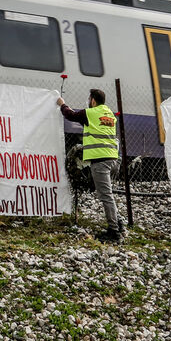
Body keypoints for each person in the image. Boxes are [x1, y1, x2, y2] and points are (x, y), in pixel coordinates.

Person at [57, 89, 123, 242]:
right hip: (112, 159)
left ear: (93, 100)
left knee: (106, 196)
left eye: (89, 99)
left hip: (100, 161)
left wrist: (62, 104)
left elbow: (70, 115)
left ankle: (114, 231)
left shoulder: (90, 113)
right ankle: (118, 223)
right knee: (107, 195)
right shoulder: (109, 114)